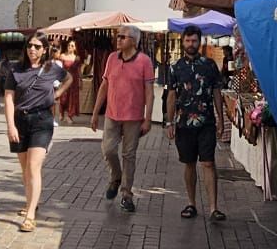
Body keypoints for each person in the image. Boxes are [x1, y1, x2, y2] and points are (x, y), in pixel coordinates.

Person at [1, 34, 69, 232]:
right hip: (20, 121)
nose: (32, 49)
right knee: (25, 168)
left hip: (42, 120)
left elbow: (69, 79)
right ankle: (31, 201)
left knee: (33, 167)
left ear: (44, 50)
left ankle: (30, 215)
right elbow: (8, 98)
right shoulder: (15, 70)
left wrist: (56, 94)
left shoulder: (51, 68)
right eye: (30, 45)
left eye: (37, 46)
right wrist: (10, 126)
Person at [164, 26, 227, 221]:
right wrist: (169, 122)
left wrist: (220, 118)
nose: (191, 44)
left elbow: (217, 92)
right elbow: (171, 95)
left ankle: (213, 208)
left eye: (194, 41)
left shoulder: (209, 65)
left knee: (208, 163)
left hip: (206, 122)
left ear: (200, 42)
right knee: (189, 163)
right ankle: (191, 203)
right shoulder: (175, 67)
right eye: (188, 40)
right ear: (182, 41)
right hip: (184, 124)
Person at [90, 26, 155, 213]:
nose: (118, 39)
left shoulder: (144, 61)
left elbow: (149, 93)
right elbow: (104, 85)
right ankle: (116, 176)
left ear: (134, 41)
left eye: (122, 37)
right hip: (112, 114)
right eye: (117, 36)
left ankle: (126, 194)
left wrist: (148, 119)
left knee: (129, 155)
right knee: (108, 150)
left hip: (133, 117)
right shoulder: (112, 58)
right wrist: (95, 112)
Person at [56, 39, 81, 120]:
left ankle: (69, 116)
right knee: (63, 97)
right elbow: (59, 67)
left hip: (74, 80)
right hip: (65, 79)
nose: (70, 47)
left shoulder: (77, 58)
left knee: (72, 98)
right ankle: (61, 112)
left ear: (75, 48)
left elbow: (79, 70)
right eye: (69, 45)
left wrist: (80, 81)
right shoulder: (62, 56)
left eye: (72, 46)